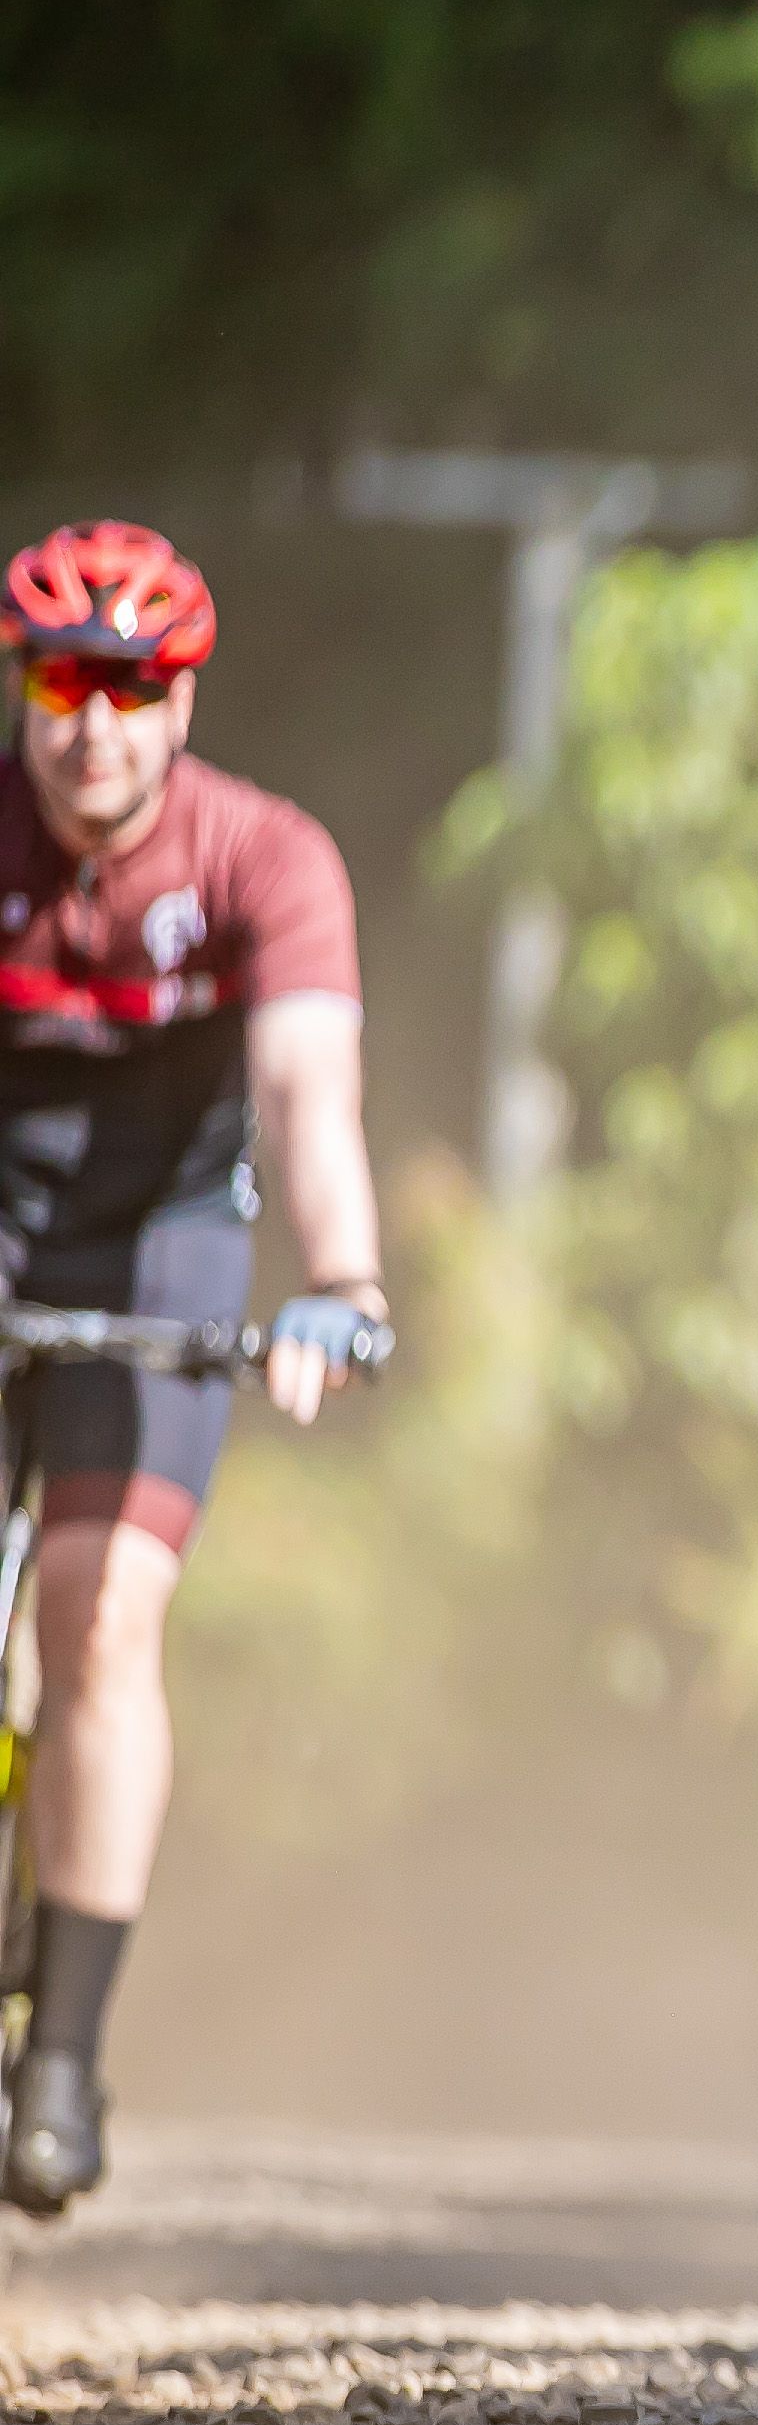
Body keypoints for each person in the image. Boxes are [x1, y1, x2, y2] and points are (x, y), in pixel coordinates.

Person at [0, 521, 390, 2218]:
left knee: (101, 1618)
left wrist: (342, 1284)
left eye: (131, 689)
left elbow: (307, 1095)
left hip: (157, 1245)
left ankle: (62, 2060)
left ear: (182, 702)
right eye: (61, 688)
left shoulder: (265, 856)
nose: (94, 727)